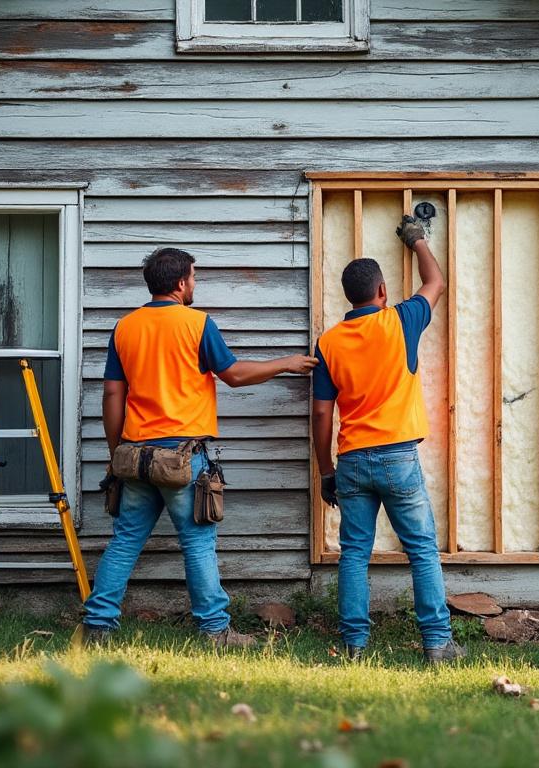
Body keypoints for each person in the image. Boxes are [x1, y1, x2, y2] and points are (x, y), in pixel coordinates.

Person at [80, 247, 317, 648]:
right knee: (198, 543)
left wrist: (114, 453)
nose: (195, 283)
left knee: (124, 541)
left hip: (136, 455)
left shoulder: (125, 327)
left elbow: (111, 395)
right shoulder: (197, 324)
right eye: (193, 277)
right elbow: (234, 375)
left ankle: (97, 627)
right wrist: (286, 362)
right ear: (179, 283)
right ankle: (215, 631)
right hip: (182, 458)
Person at [310, 216, 462, 664]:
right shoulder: (400, 321)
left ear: (348, 297)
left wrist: (325, 471)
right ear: (381, 293)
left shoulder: (329, 342)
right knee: (420, 548)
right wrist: (417, 240)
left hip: (352, 459)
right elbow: (435, 281)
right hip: (398, 457)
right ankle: (437, 643)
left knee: (354, 552)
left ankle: (355, 645)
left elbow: (322, 411)